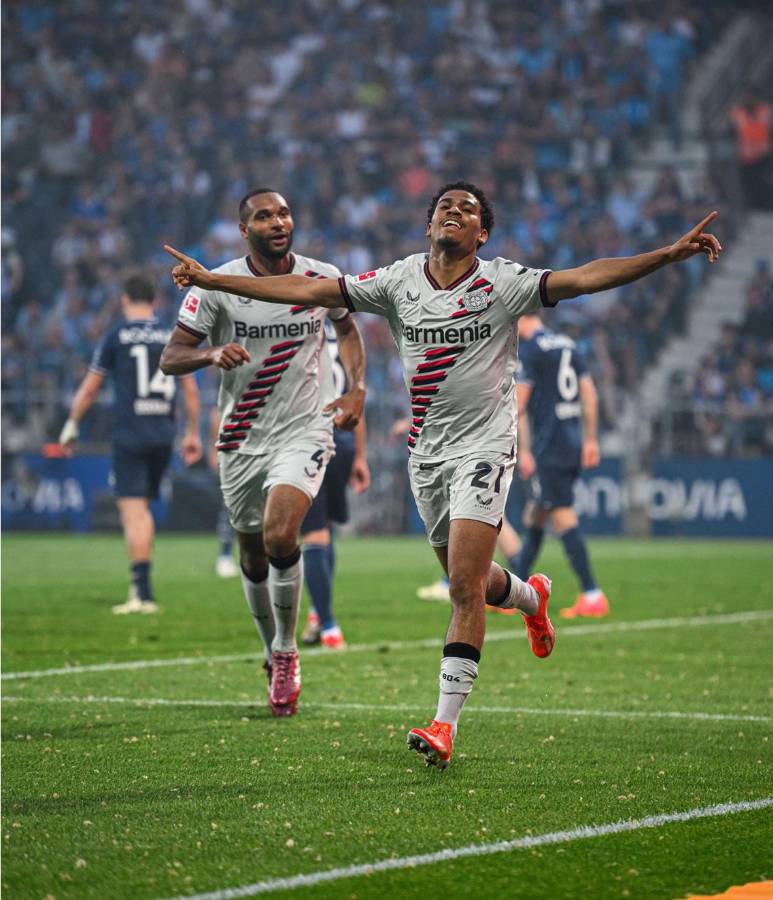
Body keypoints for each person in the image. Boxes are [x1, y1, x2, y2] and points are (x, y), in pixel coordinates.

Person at [165, 181, 722, 768]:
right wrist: (214, 280)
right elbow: (307, 289)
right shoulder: (398, 282)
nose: (453, 212)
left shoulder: (504, 283)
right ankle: (532, 597)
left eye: (469, 209)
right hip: (427, 454)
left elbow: (586, 276)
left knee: (460, 585)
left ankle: (443, 725)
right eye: (444, 207)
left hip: (486, 447)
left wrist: (665, 254)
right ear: (429, 225)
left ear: (482, 234)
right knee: (476, 584)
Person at [159, 189, 366, 717]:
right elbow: (171, 356)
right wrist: (210, 352)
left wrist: (357, 387)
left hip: (305, 430)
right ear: (244, 229)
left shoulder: (320, 276)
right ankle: (268, 649)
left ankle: (286, 650)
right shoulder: (215, 285)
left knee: (280, 535)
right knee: (251, 553)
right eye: (264, 216)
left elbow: (347, 329)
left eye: (284, 213)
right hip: (241, 437)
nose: (279, 222)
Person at [59, 274, 202, 613]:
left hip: (130, 433)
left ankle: (142, 593)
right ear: (154, 301)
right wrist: (193, 432)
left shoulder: (117, 337)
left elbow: (91, 387)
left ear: (125, 300)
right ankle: (142, 588)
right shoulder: (170, 335)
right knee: (144, 509)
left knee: (133, 511)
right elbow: (190, 389)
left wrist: (71, 424)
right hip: (164, 435)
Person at [511, 314, 609, 618]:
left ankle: (592, 593)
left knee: (562, 515)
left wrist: (517, 447)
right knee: (536, 512)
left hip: (549, 444)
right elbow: (589, 392)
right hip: (570, 440)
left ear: (523, 317)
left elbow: (518, 402)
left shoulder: (530, 349)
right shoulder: (568, 344)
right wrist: (591, 438)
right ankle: (515, 592)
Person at [300, 318, 371, 650]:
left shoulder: (298, 334)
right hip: (343, 442)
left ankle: (328, 626)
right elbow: (357, 398)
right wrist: (359, 456)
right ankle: (317, 612)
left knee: (312, 534)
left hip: (311, 442)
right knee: (323, 528)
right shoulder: (346, 341)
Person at [210, 406, 240, 578]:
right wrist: (215, 448)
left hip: (269, 446)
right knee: (231, 505)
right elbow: (218, 410)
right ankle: (225, 555)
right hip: (237, 447)